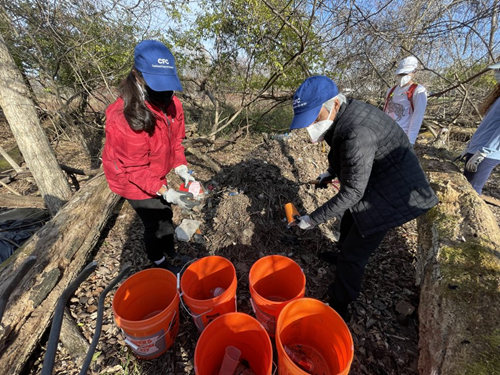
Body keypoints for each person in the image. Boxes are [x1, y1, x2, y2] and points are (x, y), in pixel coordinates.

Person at [289, 75, 438, 320]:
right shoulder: (346, 115)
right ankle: (340, 257)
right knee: (349, 218)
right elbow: (340, 150)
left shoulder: (357, 133)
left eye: (315, 118)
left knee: (355, 251)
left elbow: (353, 191)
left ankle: (340, 303)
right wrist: (331, 172)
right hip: (376, 178)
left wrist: (311, 219)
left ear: (334, 104)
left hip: (394, 193)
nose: (311, 126)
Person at [102, 40, 199, 273]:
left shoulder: (172, 103)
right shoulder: (123, 115)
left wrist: (182, 169)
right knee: (155, 221)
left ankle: (171, 250)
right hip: (129, 176)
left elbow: (176, 142)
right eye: (156, 83)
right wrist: (167, 192)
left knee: (166, 212)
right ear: (137, 75)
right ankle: (159, 262)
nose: (164, 91)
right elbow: (135, 169)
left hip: (155, 169)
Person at [457, 62, 500, 195]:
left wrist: (484, 152)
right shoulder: (498, 97)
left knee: (472, 192)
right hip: (477, 149)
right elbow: (486, 125)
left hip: (487, 153)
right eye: (497, 71)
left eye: (499, 71)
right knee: (466, 188)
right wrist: (470, 146)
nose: (496, 74)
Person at [383, 56, 427, 145]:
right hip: (385, 133)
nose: (402, 76)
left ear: (414, 72)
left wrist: (410, 141)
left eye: (406, 73)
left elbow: (417, 117)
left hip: (401, 137)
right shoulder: (390, 91)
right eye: (401, 73)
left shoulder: (418, 91)